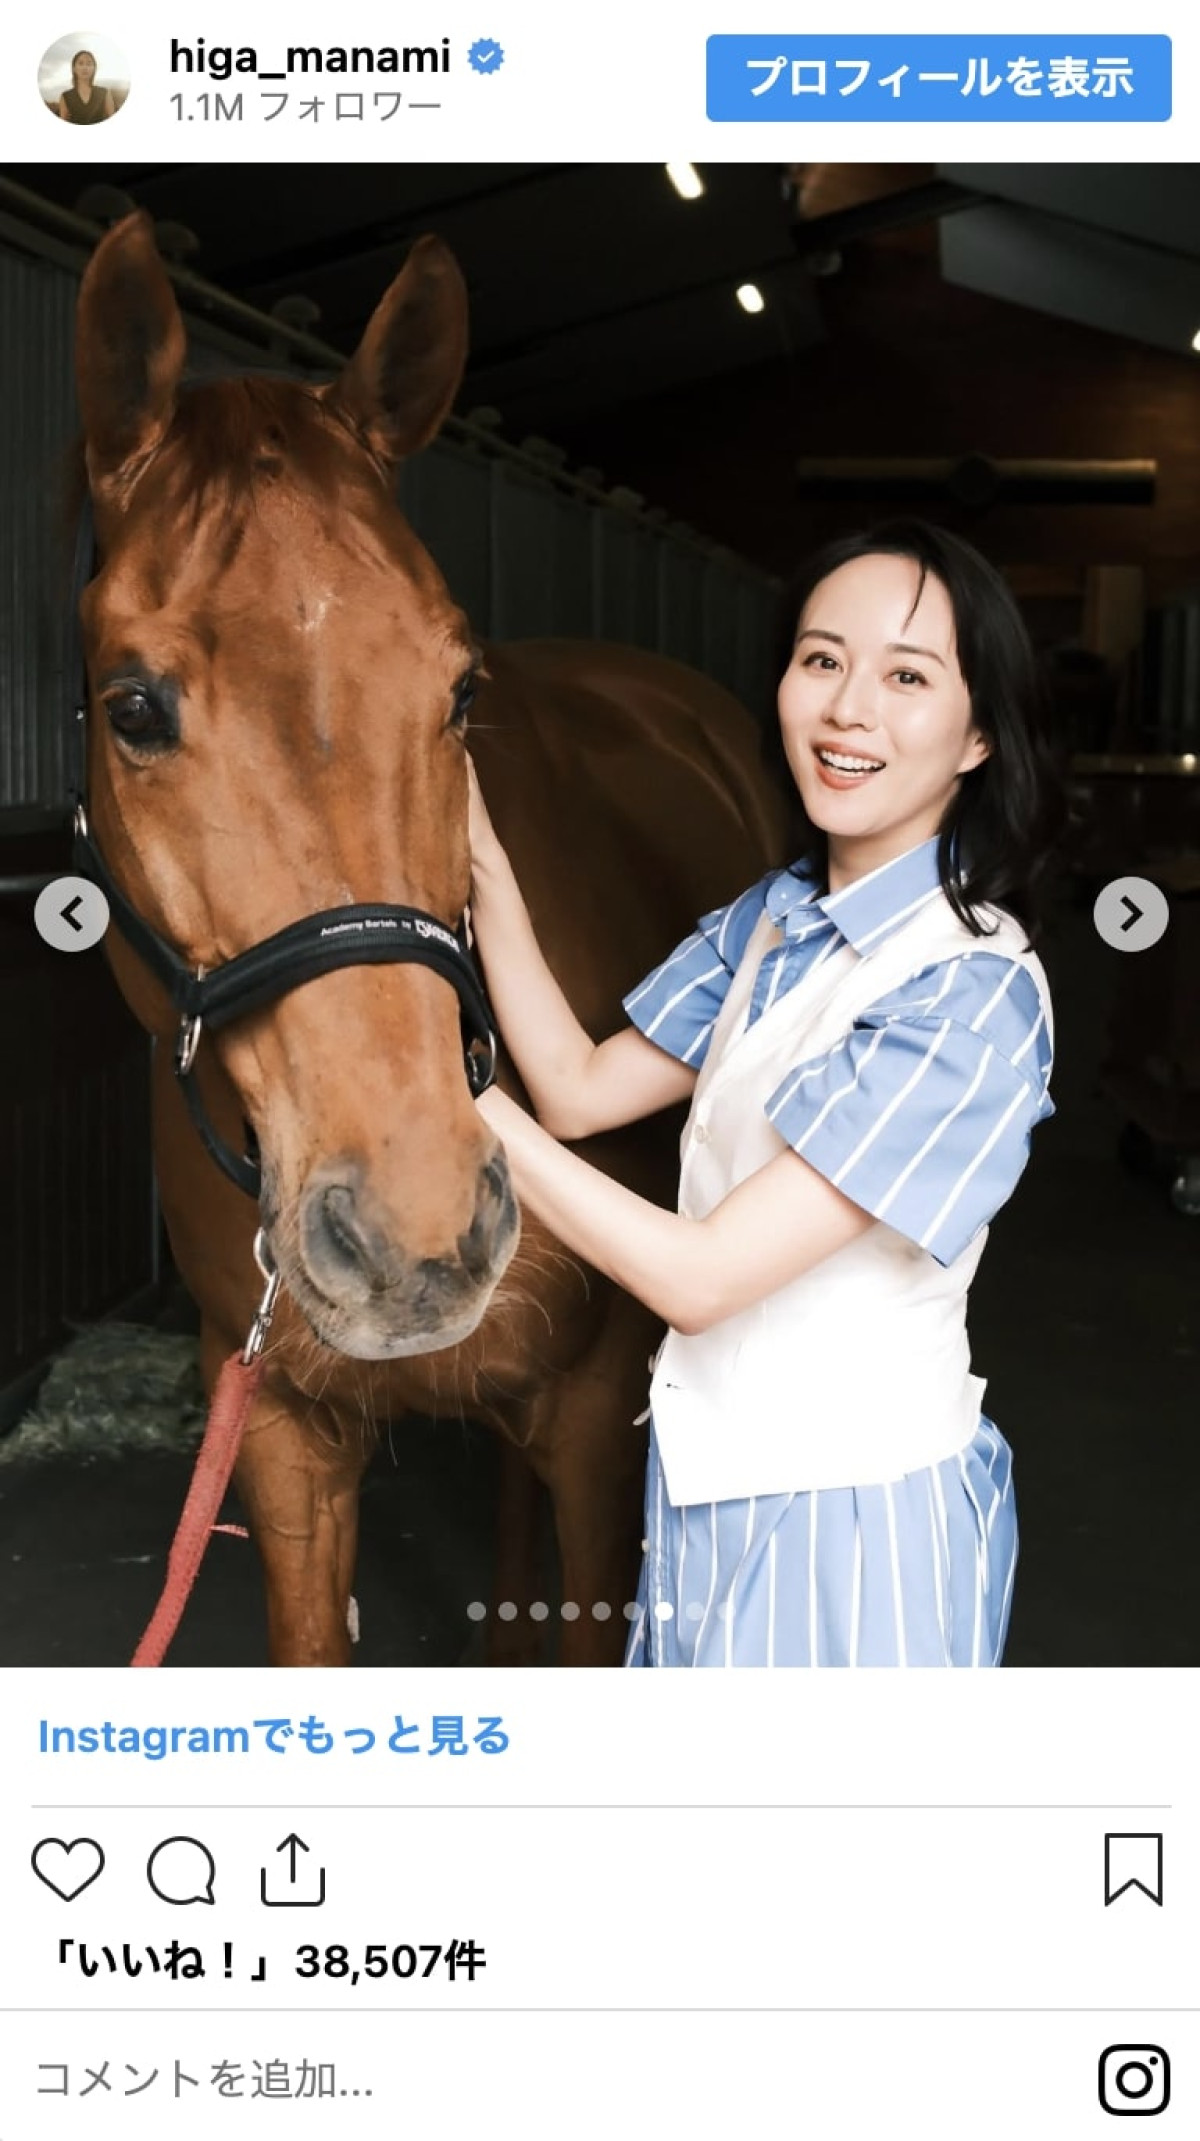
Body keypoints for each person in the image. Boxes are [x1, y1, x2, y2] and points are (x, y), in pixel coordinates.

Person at [466, 520, 1061, 1668]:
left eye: (907, 677)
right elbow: (578, 1090)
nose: (848, 710)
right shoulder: (775, 919)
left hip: (851, 1519)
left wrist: (445, 1100)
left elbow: (701, 1279)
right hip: (704, 1488)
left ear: (981, 733)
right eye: (821, 659)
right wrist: (485, 864)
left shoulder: (969, 991)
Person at [55, 50, 116, 123]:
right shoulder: (65, 96)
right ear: (74, 68)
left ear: (94, 68)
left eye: (89, 64)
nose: (85, 67)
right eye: (80, 63)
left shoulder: (104, 93)